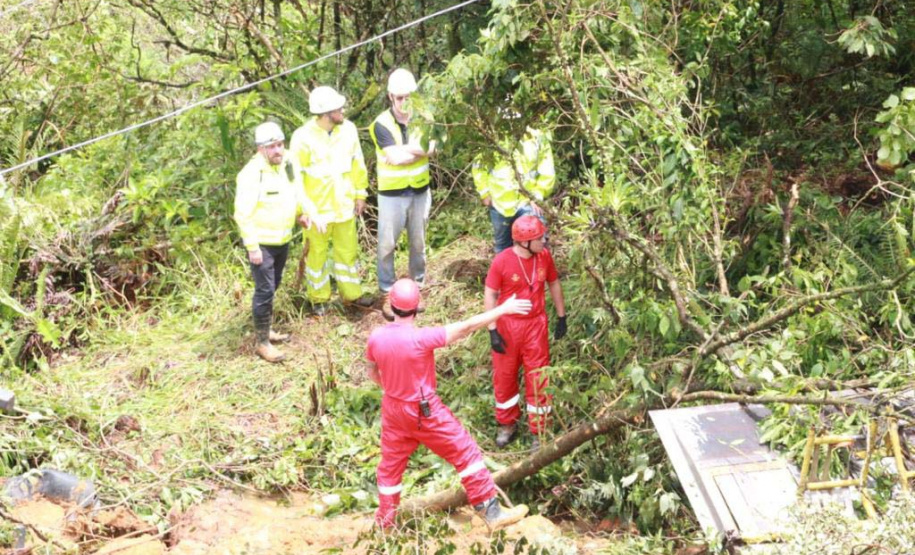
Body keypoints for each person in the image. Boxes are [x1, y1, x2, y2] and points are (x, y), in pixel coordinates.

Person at [366, 278, 531, 531]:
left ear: (392, 305)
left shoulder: (376, 337)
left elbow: (373, 373)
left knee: (389, 468)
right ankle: (491, 511)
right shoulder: (421, 338)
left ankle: (385, 523)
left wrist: (392, 389)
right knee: (465, 452)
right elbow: (466, 327)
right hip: (423, 410)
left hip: (393, 408)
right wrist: (503, 309)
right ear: (417, 306)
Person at [234, 121, 325, 362]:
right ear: (260, 149)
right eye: (272, 146)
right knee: (264, 290)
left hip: (282, 238)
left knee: (274, 285)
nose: (278, 150)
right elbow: (242, 213)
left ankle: (267, 329)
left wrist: (301, 214)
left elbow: (296, 192)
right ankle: (262, 342)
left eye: (280, 144)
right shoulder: (250, 175)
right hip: (262, 243)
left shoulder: (288, 162)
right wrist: (252, 247)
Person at [289, 85, 374, 315]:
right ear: (326, 113)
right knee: (316, 256)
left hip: (344, 206)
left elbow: (358, 163)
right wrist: (302, 211)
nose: (343, 110)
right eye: (338, 108)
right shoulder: (302, 138)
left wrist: (360, 193)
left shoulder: (348, 130)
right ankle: (319, 300)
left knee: (347, 254)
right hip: (317, 212)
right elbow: (295, 178)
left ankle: (352, 297)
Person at [484, 216, 567, 450]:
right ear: (524, 242)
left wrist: (562, 316)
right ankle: (506, 424)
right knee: (505, 375)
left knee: (539, 376)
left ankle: (539, 429)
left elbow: (554, 283)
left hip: (536, 326)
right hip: (508, 325)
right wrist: (492, 330)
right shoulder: (502, 261)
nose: (544, 241)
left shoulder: (544, 257)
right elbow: (490, 293)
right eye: (539, 238)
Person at [369, 68, 435, 319]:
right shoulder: (380, 124)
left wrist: (411, 150)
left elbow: (433, 147)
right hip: (392, 194)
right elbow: (394, 158)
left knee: (418, 242)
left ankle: (417, 287)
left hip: (420, 190)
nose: (404, 102)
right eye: (399, 97)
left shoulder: (424, 117)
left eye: (408, 96)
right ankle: (387, 290)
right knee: (387, 244)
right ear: (390, 97)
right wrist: (419, 149)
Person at [472, 127, 555, 253]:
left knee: (536, 242)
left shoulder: (537, 135)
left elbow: (547, 168)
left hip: (528, 201)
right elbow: (479, 166)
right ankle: (505, 271)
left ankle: (538, 271)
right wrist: (484, 192)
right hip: (499, 201)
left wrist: (538, 195)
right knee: (503, 246)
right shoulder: (491, 134)